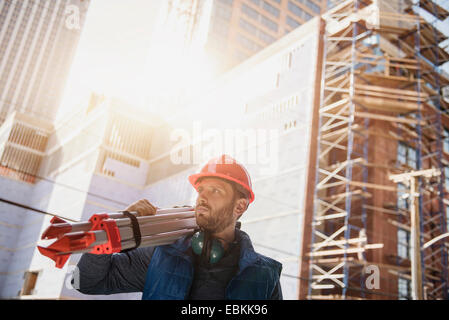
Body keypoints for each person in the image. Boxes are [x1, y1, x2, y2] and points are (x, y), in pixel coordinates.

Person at [74, 154, 283, 300]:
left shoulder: (265, 276)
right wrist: (115, 230)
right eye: (201, 190)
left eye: (215, 191)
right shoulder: (162, 254)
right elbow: (86, 282)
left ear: (240, 206)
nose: (202, 197)